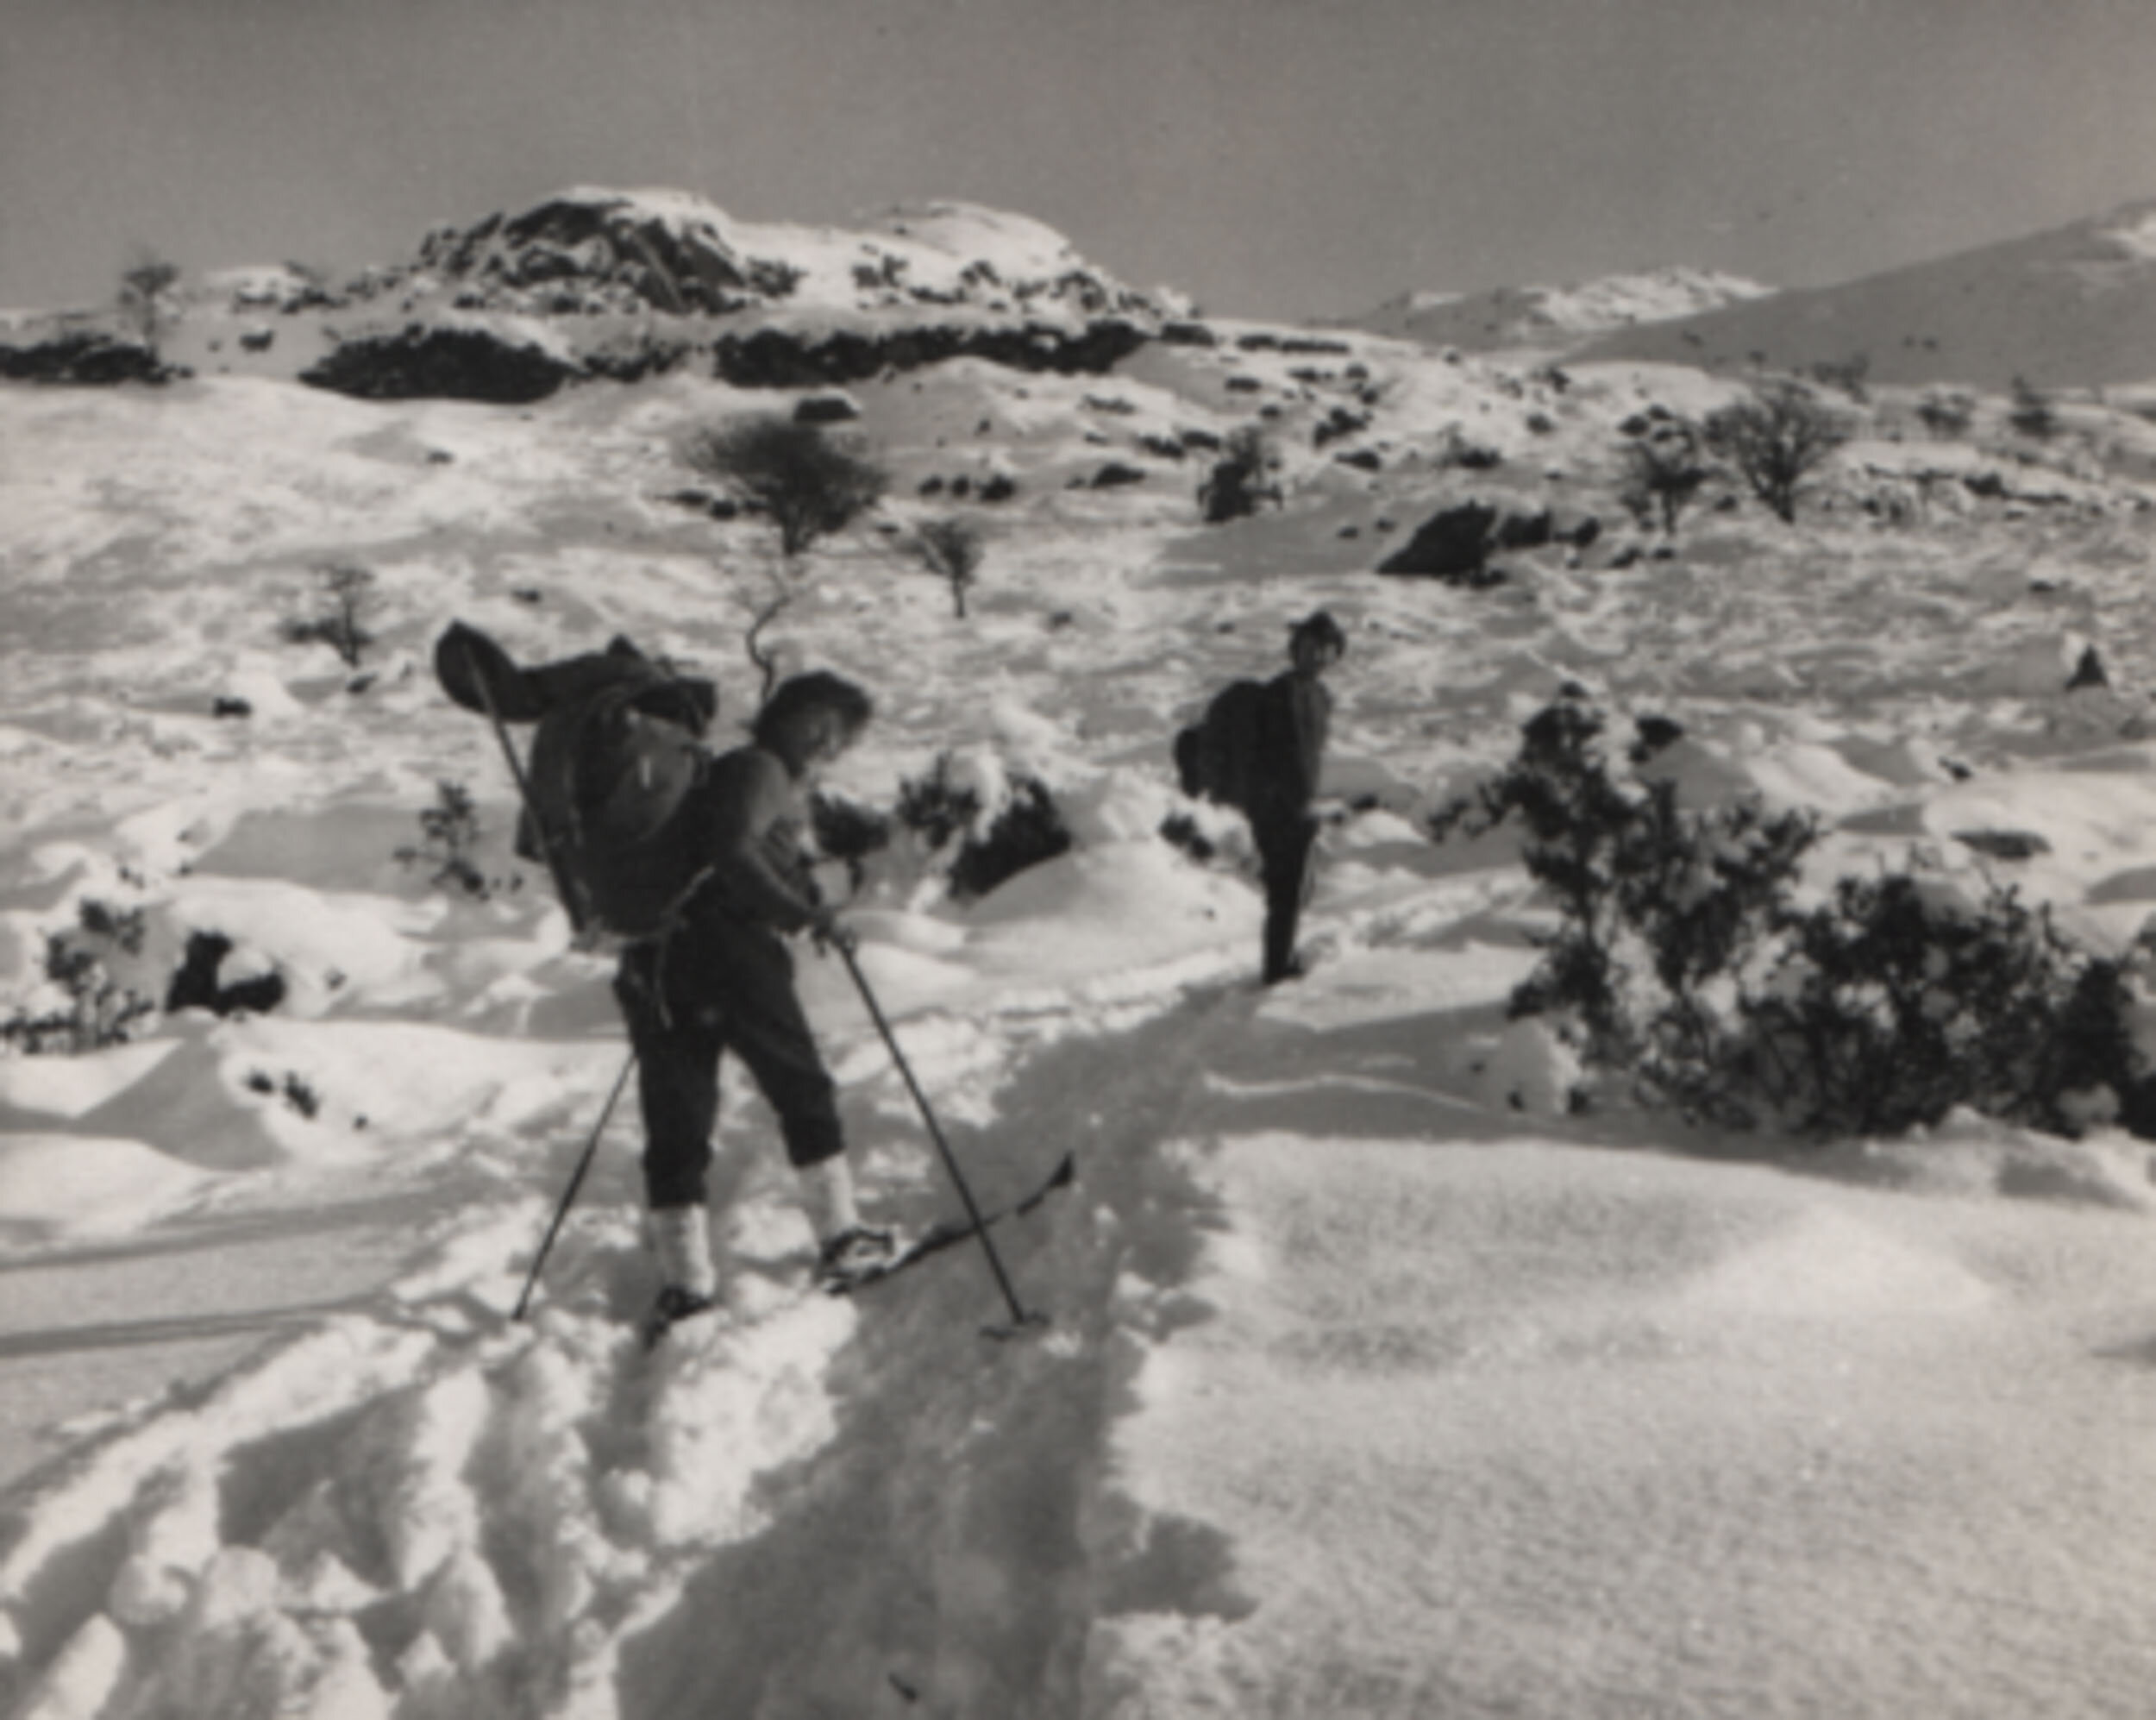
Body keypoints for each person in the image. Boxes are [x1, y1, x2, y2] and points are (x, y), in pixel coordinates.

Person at [613, 669, 893, 1330]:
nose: (834, 752)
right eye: (835, 737)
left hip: (658, 955)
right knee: (802, 1088)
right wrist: (802, 914)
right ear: (810, 722)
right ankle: (841, 1238)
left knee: (677, 1116)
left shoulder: (721, 773)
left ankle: (687, 1287)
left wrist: (798, 897)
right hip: (728, 950)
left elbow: (727, 849)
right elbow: (733, 849)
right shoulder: (760, 769)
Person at [1246, 610, 1344, 983]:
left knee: (1292, 892)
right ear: (1295, 649)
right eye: (1310, 648)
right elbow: (1264, 754)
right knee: (1284, 892)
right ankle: (1276, 971)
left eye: (1325, 651)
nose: (1317, 657)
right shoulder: (1279, 692)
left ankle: (1279, 962)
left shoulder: (1320, 696)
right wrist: (1268, 803)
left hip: (1301, 807)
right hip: (1276, 809)